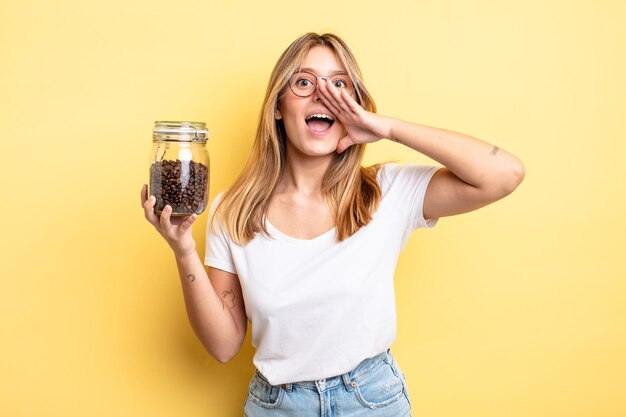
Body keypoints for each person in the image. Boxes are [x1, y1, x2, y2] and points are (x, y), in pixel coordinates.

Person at [141, 32, 524, 416]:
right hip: (278, 406)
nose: (323, 95)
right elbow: (223, 347)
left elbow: (504, 173)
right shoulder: (234, 210)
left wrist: (387, 127)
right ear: (278, 106)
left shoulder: (386, 192)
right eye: (304, 82)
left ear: (352, 106)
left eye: (339, 85)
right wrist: (184, 250)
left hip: (371, 401)